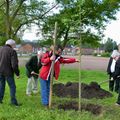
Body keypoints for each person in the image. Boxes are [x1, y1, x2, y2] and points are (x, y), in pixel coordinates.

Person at [0, 39, 20, 106]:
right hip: (8, 72)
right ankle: (13, 102)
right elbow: (14, 65)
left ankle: (0, 100)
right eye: (14, 45)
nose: (14, 46)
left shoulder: (0, 49)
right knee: (12, 87)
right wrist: (17, 73)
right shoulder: (12, 51)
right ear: (12, 45)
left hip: (0, 71)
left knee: (1, 85)